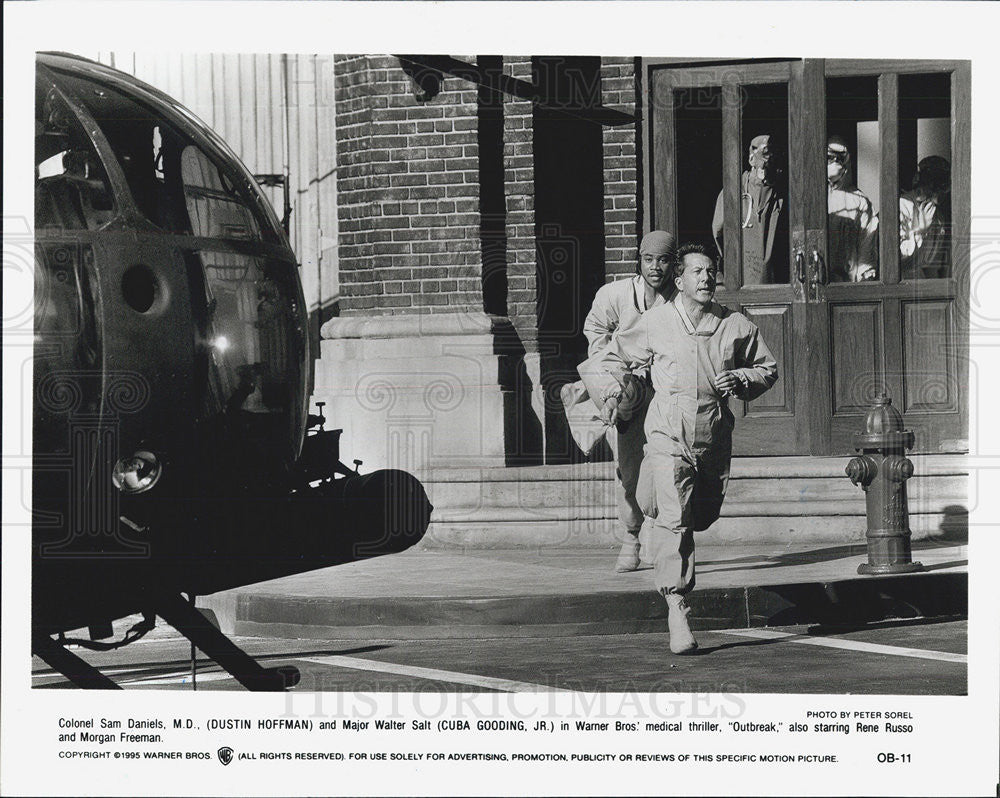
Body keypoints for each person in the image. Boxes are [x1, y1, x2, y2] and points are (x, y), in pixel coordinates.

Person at [589, 243, 777, 653]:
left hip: (712, 434)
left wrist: (742, 379)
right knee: (675, 516)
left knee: (698, 513)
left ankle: (648, 505)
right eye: (697, 272)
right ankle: (677, 606)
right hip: (666, 431)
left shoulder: (735, 326)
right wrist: (613, 389)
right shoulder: (656, 322)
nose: (707, 278)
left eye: (711, 272)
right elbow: (610, 356)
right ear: (679, 280)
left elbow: (768, 367)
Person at [561, 230, 677, 574]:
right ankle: (631, 538)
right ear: (638, 261)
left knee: (665, 465)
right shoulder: (616, 294)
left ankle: (657, 534)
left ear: (673, 264)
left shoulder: (679, 298)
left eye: (664, 259)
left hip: (666, 392)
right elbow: (595, 330)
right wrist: (611, 370)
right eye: (648, 259)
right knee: (629, 468)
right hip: (626, 388)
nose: (656, 267)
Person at [711, 134, 787, 284]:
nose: (769, 159)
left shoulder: (782, 192)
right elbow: (717, 233)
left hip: (776, 283)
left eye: (773, 154)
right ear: (751, 158)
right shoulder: (733, 192)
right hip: (741, 278)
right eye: (765, 153)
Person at [826, 135, 879, 282]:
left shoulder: (859, 201)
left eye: (840, 157)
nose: (836, 162)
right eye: (830, 157)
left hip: (846, 280)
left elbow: (867, 240)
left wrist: (865, 272)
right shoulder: (812, 197)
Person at [899, 155, 951, 279]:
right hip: (901, 282)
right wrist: (921, 231)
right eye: (931, 189)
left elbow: (931, 266)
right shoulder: (902, 206)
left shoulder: (937, 217)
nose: (936, 199)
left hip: (922, 285)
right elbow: (899, 259)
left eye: (939, 192)